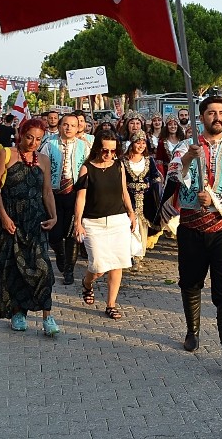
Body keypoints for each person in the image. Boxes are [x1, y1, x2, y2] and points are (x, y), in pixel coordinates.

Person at [167, 96, 222, 375]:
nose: (217, 117)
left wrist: (215, 199)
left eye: (221, 113)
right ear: (201, 117)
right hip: (191, 228)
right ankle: (192, 331)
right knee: (190, 282)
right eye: (211, 113)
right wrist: (188, 159)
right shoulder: (185, 146)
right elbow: (174, 175)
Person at [0, 118, 61, 337]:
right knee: (13, 268)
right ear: (21, 134)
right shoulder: (7, 154)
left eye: (38, 139)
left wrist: (54, 216)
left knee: (43, 268)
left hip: (35, 219)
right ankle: (18, 313)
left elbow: (47, 191)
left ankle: (47, 317)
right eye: (29, 137)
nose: (33, 143)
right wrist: (4, 216)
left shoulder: (43, 160)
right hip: (11, 219)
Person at [74, 133, 136, 319]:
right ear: (97, 149)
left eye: (113, 151)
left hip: (118, 220)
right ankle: (87, 283)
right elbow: (81, 198)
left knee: (118, 263)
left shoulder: (119, 166)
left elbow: (124, 191)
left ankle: (111, 304)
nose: (109, 154)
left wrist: (131, 212)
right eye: (105, 150)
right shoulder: (87, 168)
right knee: (98, 266)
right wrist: (78, 222)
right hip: (93, 223)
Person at [39, 114, 92, 285]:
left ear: (78, 128)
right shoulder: (49, 144)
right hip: (53, 194)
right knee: (54, 235)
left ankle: (69, 270)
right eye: (65, 124)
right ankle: (60, 254)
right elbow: (40, 166)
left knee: (72, 234)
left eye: (72, 125)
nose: (68, 128)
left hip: (75, 194)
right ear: (60, 126)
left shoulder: (84, 146)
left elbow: (90, 169)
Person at [123, 130, 165, 255]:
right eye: (138, 143)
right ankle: (130, 253)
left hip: (146, 199)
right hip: (129, 197)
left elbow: (155, 177)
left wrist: (156, 192)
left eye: (143, 143)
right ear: (132, 143)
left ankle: (138, 254)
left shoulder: (148, 160)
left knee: (143, 226)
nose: (141, 146)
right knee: (130, 225)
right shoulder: (123, 161)